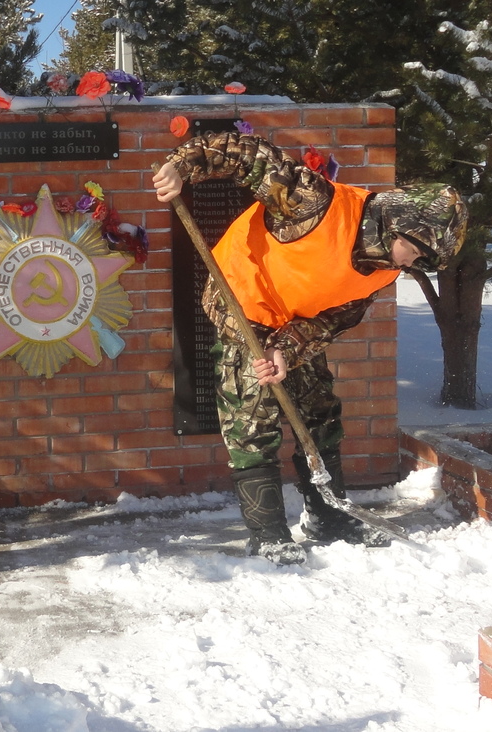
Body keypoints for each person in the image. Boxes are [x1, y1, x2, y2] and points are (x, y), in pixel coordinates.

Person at [153, 130, 466, 565]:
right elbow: (246, 154)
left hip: (293, 321)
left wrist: (287, 349)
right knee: (253, 415)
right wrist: (181, 166)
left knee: (318, 412)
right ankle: (267, 534)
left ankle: (328, 517)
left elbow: (333, 319)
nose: (408, 263)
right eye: (412, 250)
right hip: (242, 302)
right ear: (395, 222)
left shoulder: (383, 268)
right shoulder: (314, 202)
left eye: (419, 260)